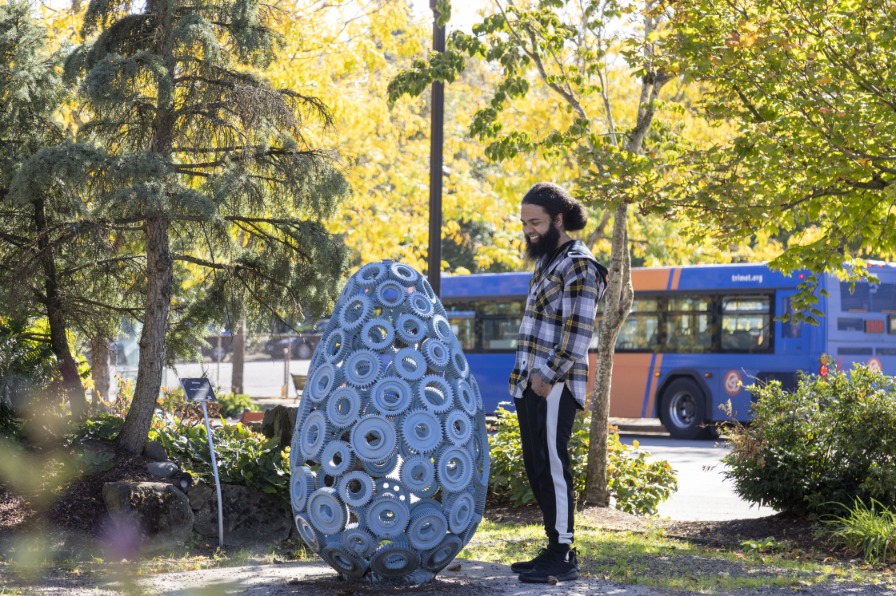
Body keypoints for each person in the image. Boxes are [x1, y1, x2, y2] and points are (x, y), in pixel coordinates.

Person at [508, 182, 608, 584]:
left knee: (553, 467)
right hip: (529, 384)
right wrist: (526, 379)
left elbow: (579, 332)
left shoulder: (579, 264)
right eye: (524, 223)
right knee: (537, 467)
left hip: (555, 385)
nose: (529, 229)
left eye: (535, 222)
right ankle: (554, 547)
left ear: (559, 220)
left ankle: (563, 555)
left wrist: (547, 376)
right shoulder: (547, 261)